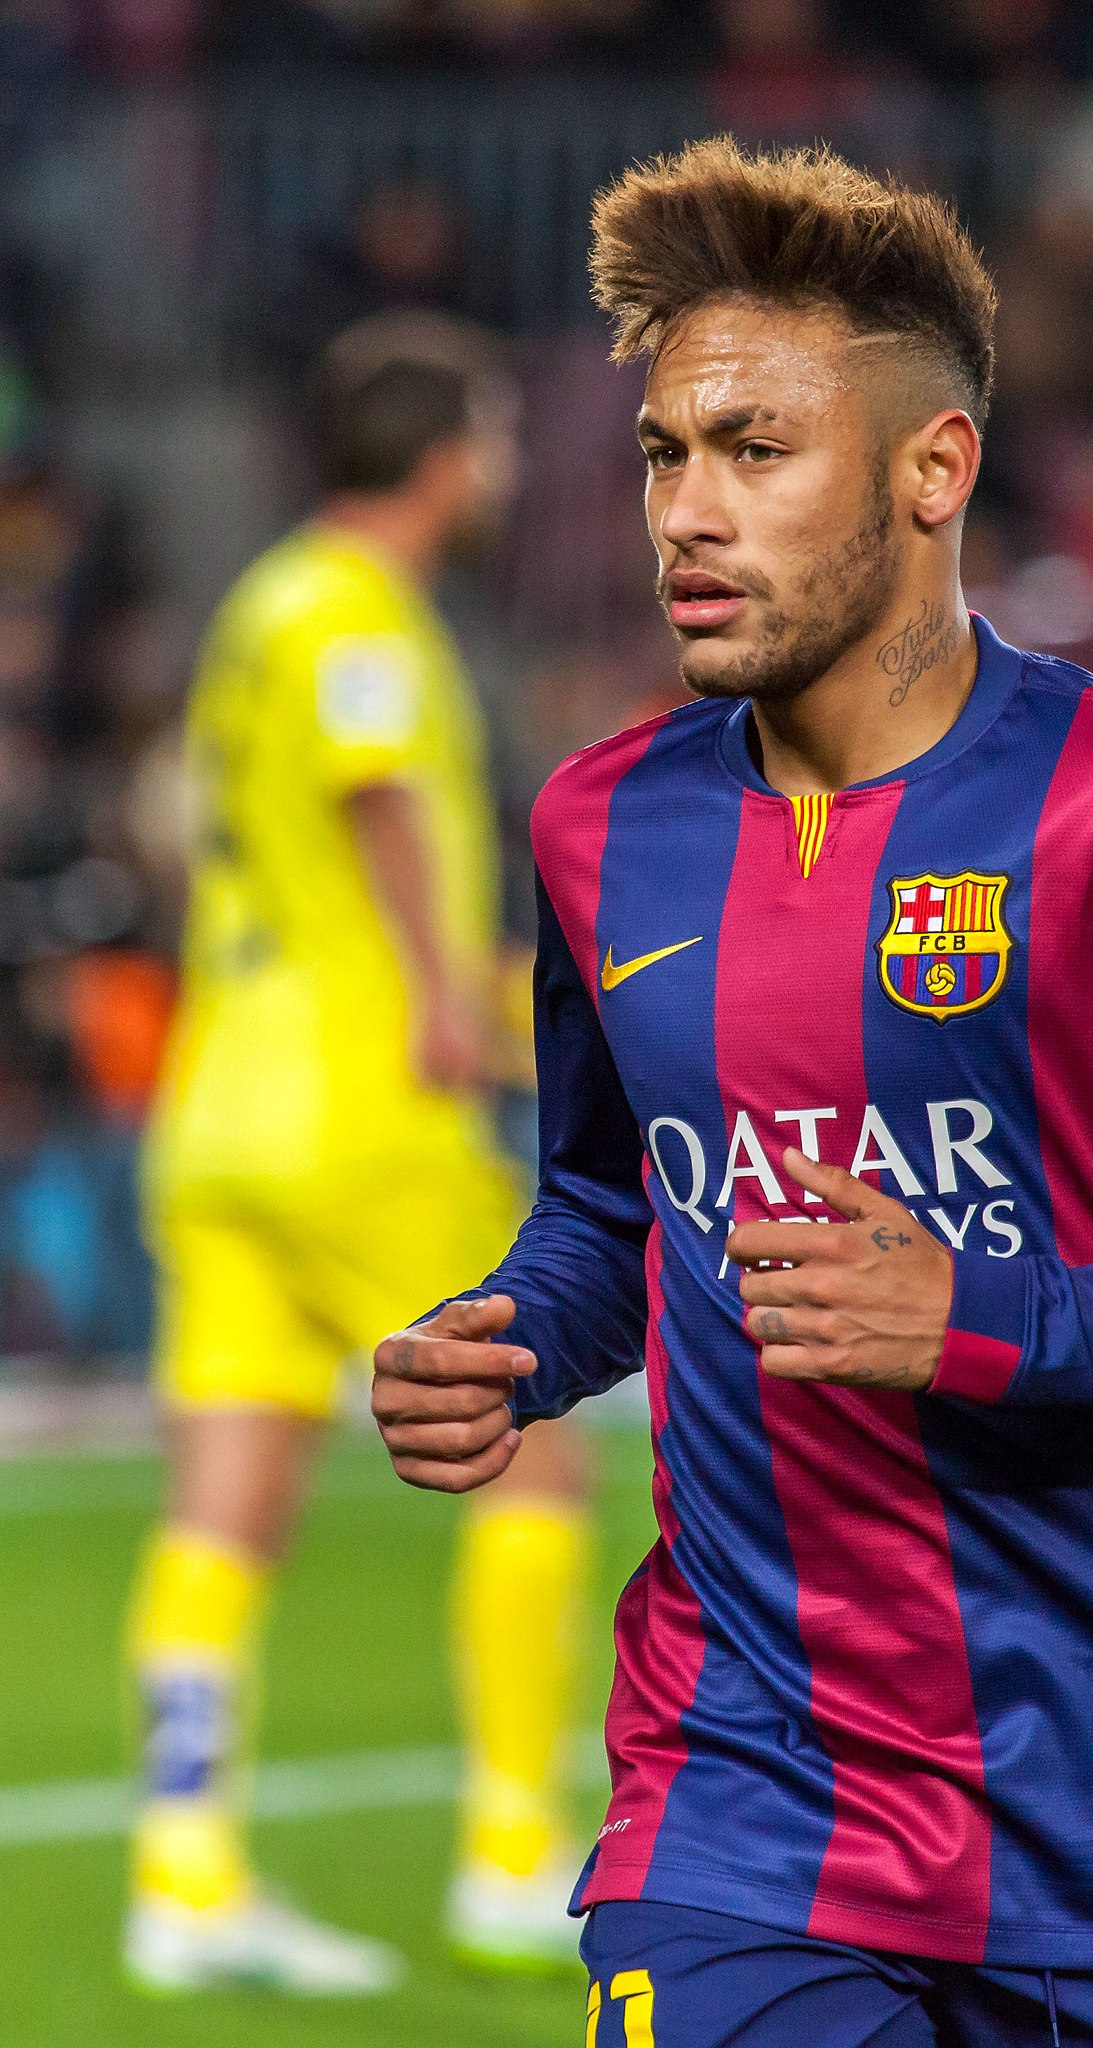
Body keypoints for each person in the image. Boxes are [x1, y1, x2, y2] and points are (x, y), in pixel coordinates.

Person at [372, 141, 1093, 2048]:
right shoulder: (599, 827)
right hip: (742, 1801)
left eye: (754, 450)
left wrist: (991, 1321)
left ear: (931, 469)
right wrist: (515, 1338)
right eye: (664, 454)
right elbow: (619, 1204)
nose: (686, 517)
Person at [126, 314, 595, 1993]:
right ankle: (512, 1853)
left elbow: (195, 820)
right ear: (444, 453)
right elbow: (381, 792)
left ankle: (182, 1877)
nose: (515, 464)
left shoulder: (255, 608)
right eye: (498, 432)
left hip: (221, 1097)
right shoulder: (358, 613)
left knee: (226, 1499)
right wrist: (441, 995)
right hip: (360, 1103)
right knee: (534, 1457)